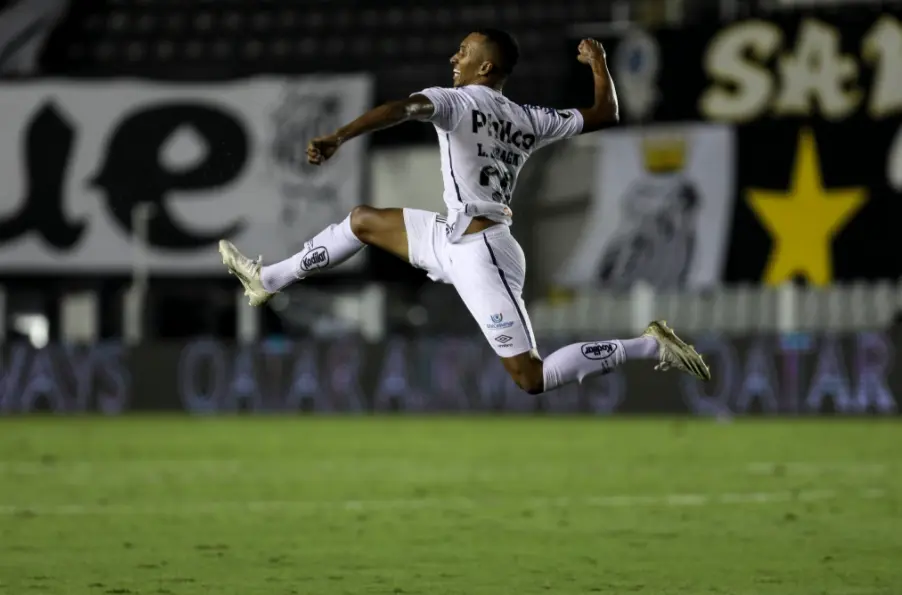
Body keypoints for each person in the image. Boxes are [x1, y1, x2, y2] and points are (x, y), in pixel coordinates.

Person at [218, 30, 711, 394]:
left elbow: (398, 109)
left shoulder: (454, 102)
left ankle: (649, 344)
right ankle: (269, 281)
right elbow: (606, 114)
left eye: (464, 51)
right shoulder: (530, 118)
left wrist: (338, 136)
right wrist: (599, 64)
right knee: (362, 221)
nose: (454, 57)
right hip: (450, 236)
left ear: (485, 68)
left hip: (485, 253)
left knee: (530, 377)